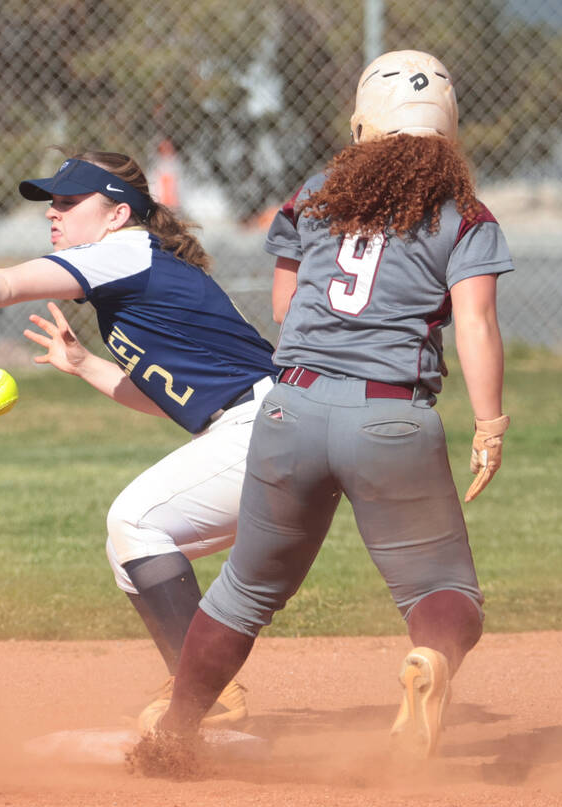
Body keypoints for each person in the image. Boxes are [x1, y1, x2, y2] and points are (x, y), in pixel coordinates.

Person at [132, 49, 513, 769]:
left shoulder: (316, 193)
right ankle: (430, 661)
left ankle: (175, 733)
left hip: (292, 408)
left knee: (244, 591)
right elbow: (476, 324)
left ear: (364, 123)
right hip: (390, 417)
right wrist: (490, 424)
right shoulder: (464, 214)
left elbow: (286, 305)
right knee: (443, 591)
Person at [0, 150, 278, 727]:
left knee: (135, 520)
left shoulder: (124, 251)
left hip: (266, 425)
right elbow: (170, 400)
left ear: (117, 214)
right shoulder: (132, 272)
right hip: (258, 425)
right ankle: (196, 684)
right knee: (129, 549)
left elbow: (10, 283)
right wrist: (83, 365)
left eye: (71, 202)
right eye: (53, 203)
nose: (55, 213)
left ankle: (209, 692)